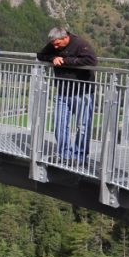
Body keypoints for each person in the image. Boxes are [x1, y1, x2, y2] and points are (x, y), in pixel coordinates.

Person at [36, 28, 97, 162]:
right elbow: (40, 55)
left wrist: (64, 61)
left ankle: (80, 157)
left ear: (65, 38)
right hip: (63, 91)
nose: (55, 47)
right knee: (60, 123)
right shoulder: (54, 44)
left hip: (83, 92)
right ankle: (64, 155)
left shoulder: (80, 44)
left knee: (82, 126)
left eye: (57, 44)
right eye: (53, 44)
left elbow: (91, 60)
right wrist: (53, 58)